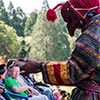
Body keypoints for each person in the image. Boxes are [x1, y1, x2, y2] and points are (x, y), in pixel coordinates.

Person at [11, 0, 100, 99]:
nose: (70, 28)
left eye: (70, 20)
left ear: (78, 12)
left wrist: (38, 66)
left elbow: (74, 70)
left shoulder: (97, 28)